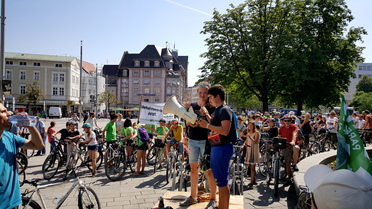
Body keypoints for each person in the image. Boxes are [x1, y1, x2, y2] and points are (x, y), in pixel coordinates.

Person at [179, 83, 217, 208]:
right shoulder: (193, 106)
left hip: (206, 141)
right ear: (197, 93)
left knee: (209, 170)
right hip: (193, 140)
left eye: (205, 93)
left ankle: (213, 199)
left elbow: (215, 124)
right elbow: (186, 121)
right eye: (200, 92)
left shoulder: (212, 107)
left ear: (208, 94)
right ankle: (193, 197)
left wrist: (206, 114)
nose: (202, 95)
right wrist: (190, 123)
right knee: (194, 169)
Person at [0, 102, 44, 209]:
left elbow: (38, 145)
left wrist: (30, 126)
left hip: (13, 202)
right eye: (3, 111)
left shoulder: (10, 137)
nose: (9, 114)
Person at [198, 84, 235, 209]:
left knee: (222, 183)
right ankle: (222, 206)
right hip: (218, 148)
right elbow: (216, 124)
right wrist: (207, 116)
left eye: (210, 97)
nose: (209, 100)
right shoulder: (219, 110)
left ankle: (224, 207)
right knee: (221, 182)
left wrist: (206, 126)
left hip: (222, 148)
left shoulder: (224, 110)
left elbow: (224, 130)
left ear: (217, 96)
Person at [277, 114, 300, 186]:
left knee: (296, 148)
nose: (287, 122)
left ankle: (294, 164)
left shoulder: (294, 126)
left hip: (292, 145)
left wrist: (293, 141)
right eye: (285, 121)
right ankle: (289, 178)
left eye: (288, 120)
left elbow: (294, 134)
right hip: (286, 146)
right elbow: (279, 136)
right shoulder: (281, 127)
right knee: (287, 164)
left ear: (291, 121)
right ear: (283, 121)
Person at [243, 121, 260, 189]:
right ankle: (254, 180)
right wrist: (244, 145)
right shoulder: (248, 133)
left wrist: (250, 137)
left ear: (253, 126)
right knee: (250, 166)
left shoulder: (256, 133)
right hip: (249, 149)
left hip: (254, 150)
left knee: (252, 166)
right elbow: (246, 141)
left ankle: (251, 181)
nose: (250, 127)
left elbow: (256, 141)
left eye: (251, 126)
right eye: (248, 126)